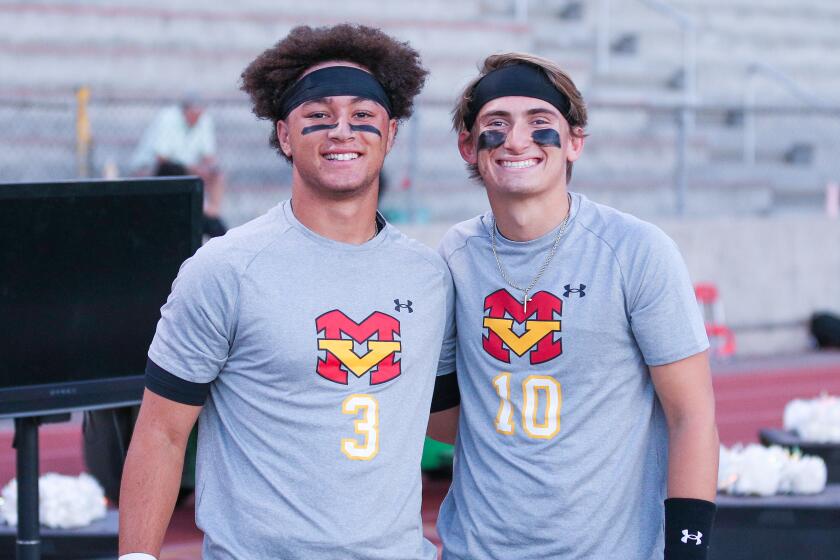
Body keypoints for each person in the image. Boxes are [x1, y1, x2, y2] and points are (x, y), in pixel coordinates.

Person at [118, 24, 455, 560]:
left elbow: (445, 414)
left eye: (363, 116)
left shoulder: (429, 276)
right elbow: (161, 432)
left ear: (390, 134)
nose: (342, 130)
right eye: (318, 116)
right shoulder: (225, 268)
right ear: (283, 135)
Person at [430, 53, 719, 559]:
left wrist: (688, 551)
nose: (516, 140)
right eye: (495, 125)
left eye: (540, 124)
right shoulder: (455, 255)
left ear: (574, 142)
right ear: (467, 146)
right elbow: (448, 421)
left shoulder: (636, 250)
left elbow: (692, 415)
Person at [130, 97, 227, 237]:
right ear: (185, 111)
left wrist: (212, 171)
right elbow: (162, 159)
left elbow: (209, 157)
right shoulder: (168, 119)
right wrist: (197, 170)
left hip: (185, 174)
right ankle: (206, 210)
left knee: (216, 175)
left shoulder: (204, 120)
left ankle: (211, 211)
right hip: (158, 172)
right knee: (174, 170)